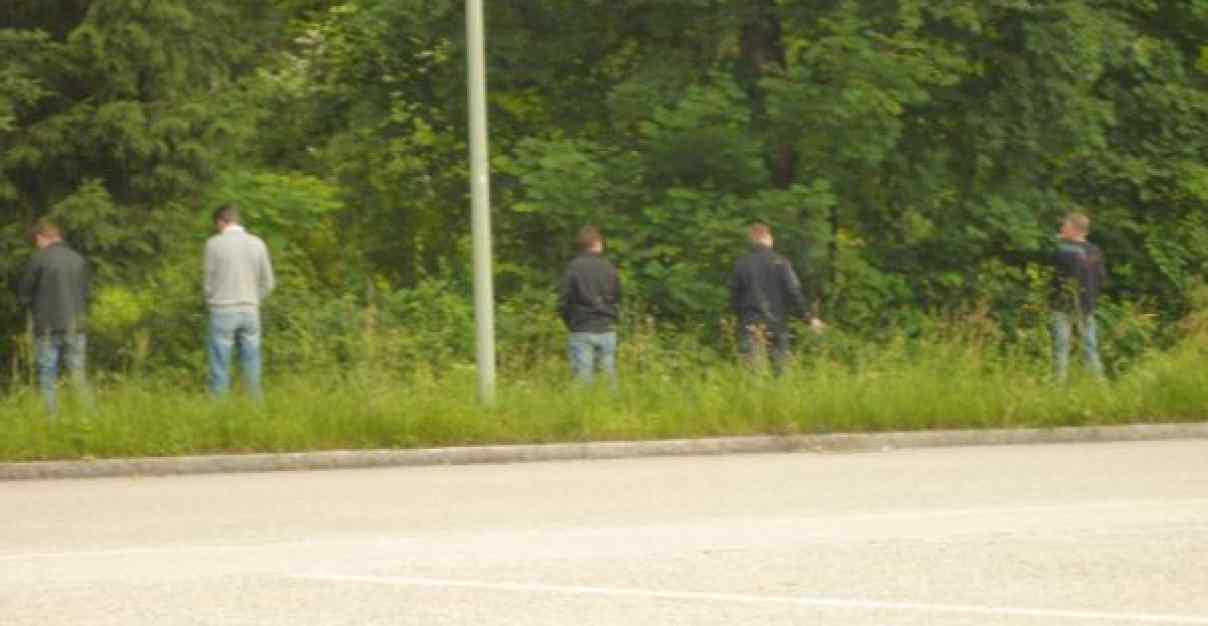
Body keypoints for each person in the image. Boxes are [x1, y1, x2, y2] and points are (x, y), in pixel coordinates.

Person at [17, 219, 92, 415]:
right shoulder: (78, 259)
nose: (37, 245)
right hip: (76, 326)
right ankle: (88, 418)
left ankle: (51, 419)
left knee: (47, 375)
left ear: (41, 237)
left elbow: (24, 295)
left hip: (47, 327)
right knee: (78, 373)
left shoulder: (38, 259)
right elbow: (87, 293)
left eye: (37, 241)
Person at [729, 223, 822, 375]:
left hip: (751, 324)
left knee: (753, 374)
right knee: (782, 373)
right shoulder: (781, 262)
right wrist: (808, 317)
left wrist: (740, 318)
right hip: (778, 323)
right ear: (768, 237)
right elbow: (794, 292)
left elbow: (734, 298)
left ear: (752, 240)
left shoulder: (741, 264)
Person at [205, 205, 275, 399]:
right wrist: (254, 299)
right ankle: (255, 408)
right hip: (250, 311)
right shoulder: (258, 243)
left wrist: (212, 301)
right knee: (252, 363)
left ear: (221, 221)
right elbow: (268, 283)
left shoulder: (213, 244)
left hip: (222, 310)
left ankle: (219, 409)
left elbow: (208, 283)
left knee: (220, 365)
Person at [558, 225, 621, 386]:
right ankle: (612, 402)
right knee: (609, 379)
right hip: (607, 327)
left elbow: (564, 301)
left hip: (581, 327)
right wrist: (612, 316)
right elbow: (617, 297)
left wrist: (570, 323)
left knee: (582, 379)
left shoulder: (574, 267)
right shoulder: (609, 267)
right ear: (598, 243)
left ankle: (583, 403)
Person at [1051, 212, 1106, 381]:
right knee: (1090, 347)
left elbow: (1055, 271)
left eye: (1064, 226)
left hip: (1063, 305)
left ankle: (1059, 385)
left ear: (1074, 229)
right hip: (1087, 306)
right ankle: (1099, 384)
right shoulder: (1095, 251)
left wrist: (1059, 241)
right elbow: (1102, 278)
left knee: (1061, 347)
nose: (1061, 229)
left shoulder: (1063, 250)